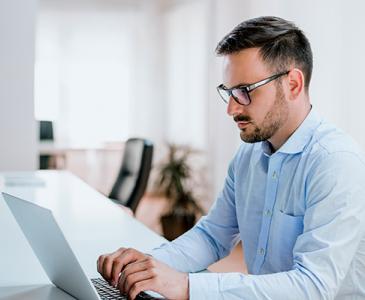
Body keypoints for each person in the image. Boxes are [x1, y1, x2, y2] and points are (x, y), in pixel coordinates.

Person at [97, 16, 365, 299]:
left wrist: (187, 286)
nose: (232, 109)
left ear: (293, 85)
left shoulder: (335, 163)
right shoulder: (249, 155)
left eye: (245, 91)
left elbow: (313, 286)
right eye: (229, 92)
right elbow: (213, 236)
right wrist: (147, 265)